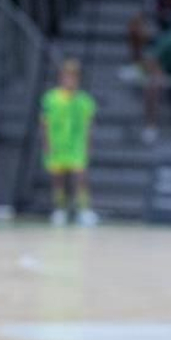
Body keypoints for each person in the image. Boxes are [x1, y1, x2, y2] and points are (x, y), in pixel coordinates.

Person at [40, 58, 98, 227]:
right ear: (61, 77)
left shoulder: (85, 101)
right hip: (57, 146)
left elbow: (89, 127)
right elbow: (44, 124)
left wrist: (88, 146)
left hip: (76, 146)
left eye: (73, 76)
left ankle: (84, 210)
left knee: (81, 178)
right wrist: (46, 144)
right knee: (58, 179)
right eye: (67, 76)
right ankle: (60, 209)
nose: (70, 80)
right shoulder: (50, 99)